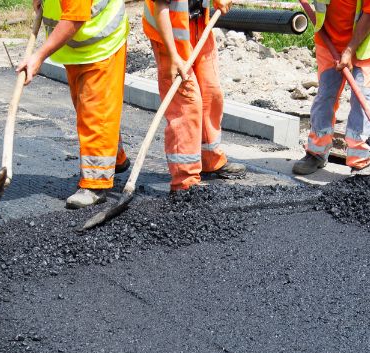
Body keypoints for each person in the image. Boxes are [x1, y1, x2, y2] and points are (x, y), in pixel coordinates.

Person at [17, 0, 130, 209]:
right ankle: (115, 158)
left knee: (95, 113)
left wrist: (38, 57)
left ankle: (95, 184)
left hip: (101, 43)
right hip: (78, 47)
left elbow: (73, 20)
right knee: (87, 108)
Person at [142, 0, 245, 193]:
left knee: (211, 92)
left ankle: (210, 159)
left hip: (198, 27)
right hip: (170, 37)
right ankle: (184, 179)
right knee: (187, 104)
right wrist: (173, 57)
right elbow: (161, 8)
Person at [292, 0, 370, 175]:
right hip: (329, 41)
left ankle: (361, 161)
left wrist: (349, 51)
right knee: (325, 96)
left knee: (362, 101)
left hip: (369, 44)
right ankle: (316, 153)